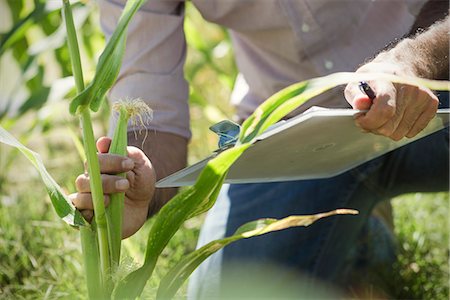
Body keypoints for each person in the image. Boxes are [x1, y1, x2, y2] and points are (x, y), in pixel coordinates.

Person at [71, 0, 449, 297]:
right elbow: (154, 113)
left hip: (434, 81)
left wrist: (413, 61)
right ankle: (357, 235)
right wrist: (139, 180)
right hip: (296, 141)